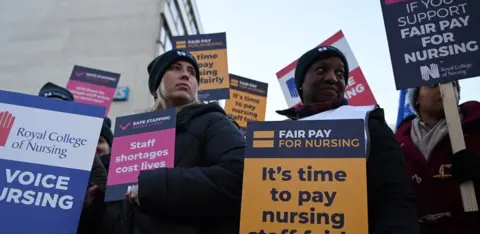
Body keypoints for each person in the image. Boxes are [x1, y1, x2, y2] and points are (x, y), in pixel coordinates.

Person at [276, 46, 419, 233]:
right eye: (321, 70)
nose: (332, 78)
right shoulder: (277, 135)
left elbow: (394, 197)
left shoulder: (368, 121)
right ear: (301, 83)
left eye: (340, 73)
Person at [104, 49, 245, 234]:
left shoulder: (215, 122)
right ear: (158, 82)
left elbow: (239, 175)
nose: (185, 75)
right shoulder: (132, 133)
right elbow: (119, 204)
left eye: (192, 72)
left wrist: (153, 187)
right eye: (176, 68)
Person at [396, 81, 480, 234]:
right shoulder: (397, 141)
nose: (444, 88)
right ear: (416, 98)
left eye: (452, 84)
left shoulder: (476, 124)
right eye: (433, 84)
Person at [38, 82, 108, 233]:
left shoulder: (86, 156)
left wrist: (88, 204)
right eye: (47, 108)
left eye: (61, 110)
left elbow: (104, 199)